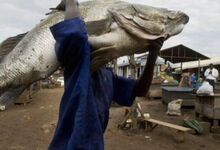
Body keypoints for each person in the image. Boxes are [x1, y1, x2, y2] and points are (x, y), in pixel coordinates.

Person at [48, 0, 164, 149]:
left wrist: (153, 54)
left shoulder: (108, 76)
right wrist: (71, 2)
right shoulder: (77, 65)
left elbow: (139, 90)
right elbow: (75, 34)